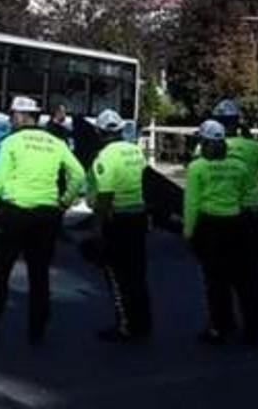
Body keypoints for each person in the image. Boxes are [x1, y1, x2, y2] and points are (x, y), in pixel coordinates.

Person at [0, 96, 86, 345]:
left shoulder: (11, 142)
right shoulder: (55, 142)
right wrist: (64, 202)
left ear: (23, 116)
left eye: (12, 115)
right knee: (39, 275)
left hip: (13, 213)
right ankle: (37, 331)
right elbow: (78, 174)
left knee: (1, 271)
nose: (10, 120)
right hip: (46, 215)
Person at [183, 119, 258, 346]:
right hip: (237, 225)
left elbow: (192, 203)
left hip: (210, 226)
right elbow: (250, 198)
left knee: (216, 282)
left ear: (204, 143)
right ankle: (253, 328)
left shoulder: (197, 168)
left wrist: (188, 233)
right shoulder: (239, 166)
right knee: (244, 280)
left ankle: (220, 326)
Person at [90, 109, 152, 342]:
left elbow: (104, 197)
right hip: (138, 217)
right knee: (138, 274)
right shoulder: (135, 151)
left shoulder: (105, 157)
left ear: (99, 131)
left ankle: (125, 326)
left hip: (117, 221)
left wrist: (97, 228)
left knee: (117, 277)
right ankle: (143, 323)